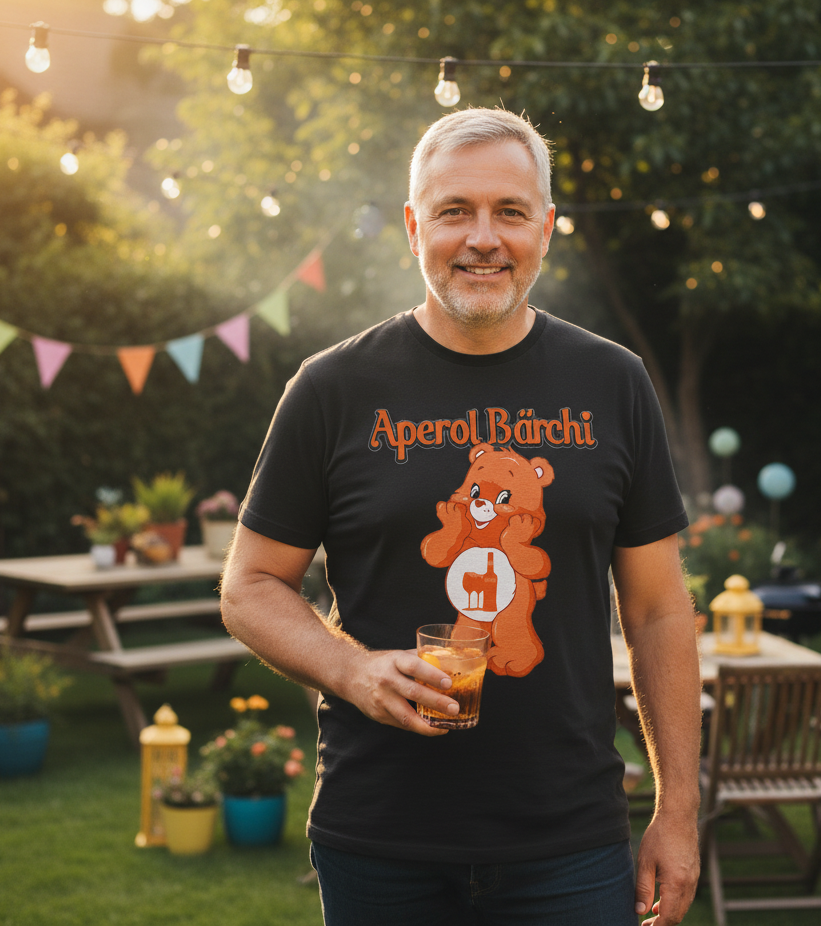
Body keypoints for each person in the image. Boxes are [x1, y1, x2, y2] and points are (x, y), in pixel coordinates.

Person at [221, 107, 701, 925]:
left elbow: (658, 609)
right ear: (415, 229)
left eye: (510, 211)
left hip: (570, 841)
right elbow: (250, 586)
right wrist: (353, 670)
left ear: (544, 229)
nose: (484, 238)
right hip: (380, 838)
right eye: (454, 211)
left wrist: (678, 811)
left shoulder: (613, 382)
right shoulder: (332, 389)